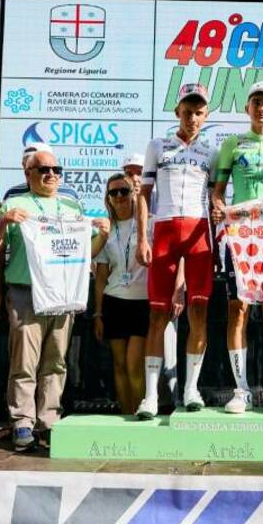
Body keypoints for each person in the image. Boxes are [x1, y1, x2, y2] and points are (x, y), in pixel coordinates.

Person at [0, 149, 98, 452]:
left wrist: (99, 233)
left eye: (56, 169)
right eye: (42, 170)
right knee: (24, 360)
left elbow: (87, 250)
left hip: (62, 295)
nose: (51, 174)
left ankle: (49, 420)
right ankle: (22, 421)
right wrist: (3, 222)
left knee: (56, 361)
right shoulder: (13, 204)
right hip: (25, 291)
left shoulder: (71, 205)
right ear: (28, 175)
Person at [211, 81, 263, 415]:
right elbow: (218, 192)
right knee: (239, 308)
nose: (262, 107)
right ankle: (241, 391)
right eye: (256, 101)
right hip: (239, 231)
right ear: (247, 108)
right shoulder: (233, 143)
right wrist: (218, 206)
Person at [135, 83, 219, 417]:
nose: (193, 118)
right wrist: (143, 238)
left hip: (199, 235)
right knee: (157, 315)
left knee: (199, 313)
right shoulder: (158, 146)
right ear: (177, 112)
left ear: (206, 115)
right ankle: (151, 396)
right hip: (166, 233)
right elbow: (143, 194)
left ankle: (191, 389)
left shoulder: (212, 152)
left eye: (199, 112)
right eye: (188, 111)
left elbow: (216, 199)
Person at [124, 153, 182, 401]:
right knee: (131, 359)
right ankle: (141, 404)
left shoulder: (163, 203)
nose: (135, 178)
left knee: (169, 353)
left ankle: (171, 404)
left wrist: (179, 286)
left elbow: (180, 251)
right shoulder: (118, 204)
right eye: (129, 172)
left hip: (163, 289)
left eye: (139, 171)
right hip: (131, 294)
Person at [93, 173, 149, 415]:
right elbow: (101, 277)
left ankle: (141, 416)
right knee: (118, 365)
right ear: (108, 198)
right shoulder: (107, 229)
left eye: (123, 191)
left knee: (134, 364)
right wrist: (97, 313)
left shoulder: (147, 224)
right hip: (114, 302)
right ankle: (126, 416)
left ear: (133, 194)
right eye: (113, 193)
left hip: (142, 302)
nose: (119, 197)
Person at [3, 141, 80, 201]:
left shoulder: (69, 194)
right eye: (26, 164)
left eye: (44, 168)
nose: (50, 174)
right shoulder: (12, 194)